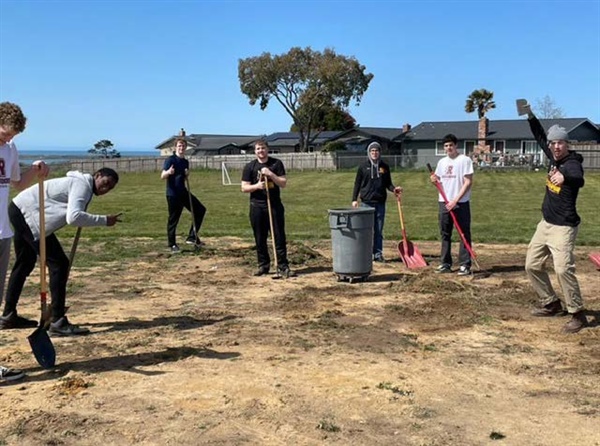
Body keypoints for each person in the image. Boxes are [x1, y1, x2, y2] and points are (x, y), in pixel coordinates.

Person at [0, 168, 121, 336]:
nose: (105, 189)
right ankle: (57, 320)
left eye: (110, 188)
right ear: (97, 175)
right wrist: (104, 220)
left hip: (19, 208)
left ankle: (8, 316)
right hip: (29, 215)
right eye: (105, 183)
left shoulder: (81, 185)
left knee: (24, 262)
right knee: (59, 264)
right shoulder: (82, 185)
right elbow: (74, 217)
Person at [521, 103, 587, 333]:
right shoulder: (552, 156)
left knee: (562, 269)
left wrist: (564, 177)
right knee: (531, 265)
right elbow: (539, 135)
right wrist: (529, 115)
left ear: (567, 144)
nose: (556, 146)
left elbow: (578, 178)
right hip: (545, 224)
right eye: (553, 143)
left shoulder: (572, 163)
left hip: (563, 227)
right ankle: (550, 303)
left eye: (560, 142)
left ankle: (577, 314)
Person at [0, 101, 50, 382]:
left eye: (14, 135)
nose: (10, 138)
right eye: (7, 133)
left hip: (3, 232)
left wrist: (36, 170)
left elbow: (17, 182)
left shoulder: (10, 149)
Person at [241, 139, 295, 278]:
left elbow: (283, 183)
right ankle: (263, 265)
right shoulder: (250, 167)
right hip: (257, 206)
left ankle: (283, 266)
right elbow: (244, 187)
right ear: (255, 151)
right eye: (258, 149)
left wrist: (271, 174)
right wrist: (257, 187)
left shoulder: (276, 164)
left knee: (278, 237)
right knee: (260, 238)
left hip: (274, 205)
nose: (261, 151)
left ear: (267, 149)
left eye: (263, 148)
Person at [430, 133, 474, 276]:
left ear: (456, 146)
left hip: (460, 203)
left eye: (451, 145)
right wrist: (434, 180)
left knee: (463, 233)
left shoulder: (464, 160)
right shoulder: (442, 162)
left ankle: (465, 264)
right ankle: (445, 263)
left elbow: (468, 182)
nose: (448, 148)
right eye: (446, 146)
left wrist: (455, 200)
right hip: (444, 202)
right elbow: (439, 181)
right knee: (445, 234)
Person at [351, 141, 402, 262]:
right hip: (366, 203)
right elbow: (357, 184)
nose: (374, 153)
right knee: (366, 230)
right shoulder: (363, 167)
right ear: (369, 153)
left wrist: (394, 189)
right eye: (372, 151)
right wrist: (354, 199)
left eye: (376, 151)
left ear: (380, 152)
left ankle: (378, 253)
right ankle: (366, 253)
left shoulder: (384, 167)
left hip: (380, 202)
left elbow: (388, 184)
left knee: (378, 230)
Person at [161, 138, 206, 253]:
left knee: (200, 210)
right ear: (175, 147)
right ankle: (172, 244)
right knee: (173, 219)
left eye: (183, 146)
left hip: (183, 192)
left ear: (185, 148)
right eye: (179, 146)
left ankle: (192, 237)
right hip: (173, 194)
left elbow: (183, 177)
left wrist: (186, 175)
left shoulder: (185, 162)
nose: (181, 148)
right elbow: (162, 176)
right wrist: (168, 173)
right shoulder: (170, 160)